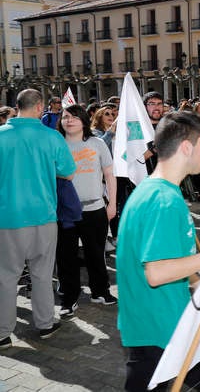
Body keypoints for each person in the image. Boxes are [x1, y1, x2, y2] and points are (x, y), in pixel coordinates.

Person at [116, 111, 200, 391]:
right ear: (186, 147)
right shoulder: (163, 201)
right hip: (164, 326)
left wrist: (198, 284)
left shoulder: (150, 190)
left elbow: (168, 257)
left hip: (153, 322)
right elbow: (156, 272)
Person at [0, 89, 76, 347]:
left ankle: (2, 333)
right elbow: (68, 171)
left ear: (17, 106)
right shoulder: (51, 136)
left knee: (6, 276)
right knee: (42, 274)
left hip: (8, 217)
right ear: (39, 107)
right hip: (43, 215)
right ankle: (44, 324)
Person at [56, 105, 117, 317]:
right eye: (65, 117)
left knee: (96, 254)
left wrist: (112, 204)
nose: (69, 120)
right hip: (65, 213)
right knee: (66, 257)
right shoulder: (56, 145)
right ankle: (69, 298)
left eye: (74, 117)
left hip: (95, 209)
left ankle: (100, 291)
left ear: (83, 120)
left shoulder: (97, 143)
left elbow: (109, 175)